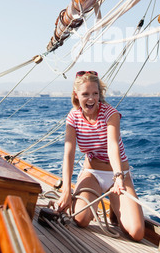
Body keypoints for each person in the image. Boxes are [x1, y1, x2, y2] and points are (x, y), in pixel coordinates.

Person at [58, 70, 144, 241]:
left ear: (100, 94)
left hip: (118, 175)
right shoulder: (73, 117)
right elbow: (69, 152)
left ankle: (114, 206)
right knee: (80, 219)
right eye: (86, 94)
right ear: (76, 95)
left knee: (137, 233)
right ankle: (104, 199)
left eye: (95, 93)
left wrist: (118, 177)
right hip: (92, 173)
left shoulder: (110, 114)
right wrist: (66, 190)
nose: (91, 98)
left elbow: (113, 147)